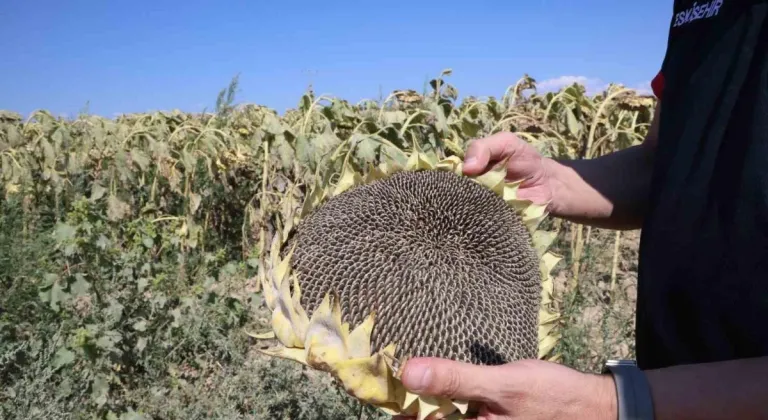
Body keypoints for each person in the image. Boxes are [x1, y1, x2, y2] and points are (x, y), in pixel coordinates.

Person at [394, 1, 768, 419]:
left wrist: (608, 405)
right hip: (667, 367)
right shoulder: (694, 6)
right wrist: (552, 181)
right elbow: (668, 165)